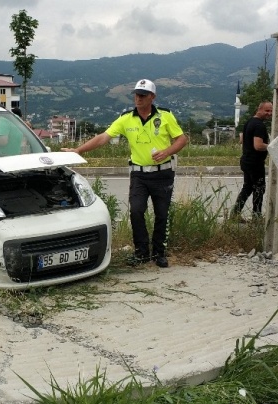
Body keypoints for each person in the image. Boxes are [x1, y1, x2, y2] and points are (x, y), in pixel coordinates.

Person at [62, 79, 188, 267]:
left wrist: (167, 151)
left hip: (163, 174)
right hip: (139, 174)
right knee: (136, 211)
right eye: (136, 94)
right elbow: (104, 137)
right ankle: (141, 252)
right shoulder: (126, 118)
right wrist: (79, 150)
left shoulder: (165, 116)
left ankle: (159, 252)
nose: (138, 98)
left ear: (152, 97)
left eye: (143, 95)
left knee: (162, 214)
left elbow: (181, 139)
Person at [232, 101, 273, 219]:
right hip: (255, 163)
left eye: (271, 111)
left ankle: (235, 214)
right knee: (259, 188)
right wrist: (272, 145)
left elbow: (242, 140)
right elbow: (258, 146)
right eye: (267, 110)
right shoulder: (259, 125)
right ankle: (256, 216)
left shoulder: (250, 122)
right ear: (259, 110)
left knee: (248, 187)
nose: (269, 113)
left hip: (246, 160)